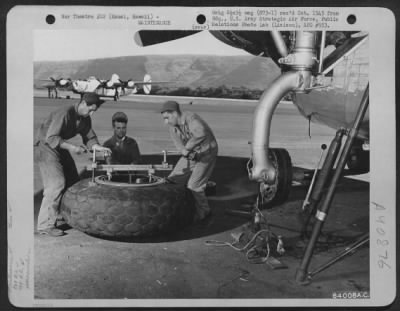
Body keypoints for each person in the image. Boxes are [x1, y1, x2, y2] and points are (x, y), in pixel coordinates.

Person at [35, 93, 112, 236]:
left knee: (73, 182)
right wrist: (73, 148)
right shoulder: (65, 113)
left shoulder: (84, 118)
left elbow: (89, 137)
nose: (92, 113)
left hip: (59, 146)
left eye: (94, 110)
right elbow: (51, 138)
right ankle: (44, 226)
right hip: (45, 147)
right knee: (56, 184)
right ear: (82, 103)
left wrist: (97, 147)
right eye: (90, 110)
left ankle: (60, 214)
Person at [160, 101, 218, 222]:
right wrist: (185, 151)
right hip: (192, 153)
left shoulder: (191, 118)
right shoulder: (172, 128)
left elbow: (201, 133)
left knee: (194, 185)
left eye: (167, 118)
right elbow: (179, 146)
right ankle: (178, 206)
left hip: (207, 153)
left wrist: (187, 148)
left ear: (175, 113)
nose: (165, 122)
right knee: (172, 179)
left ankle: (204, 212)